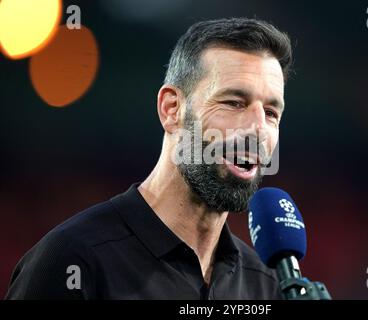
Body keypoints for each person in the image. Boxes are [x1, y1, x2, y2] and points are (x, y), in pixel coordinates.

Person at [5, 17, 292, 299]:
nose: (258, 128)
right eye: (233, 103)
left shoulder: (266, 285)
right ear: (171, 109)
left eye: (270, 113)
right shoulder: (74, 262)